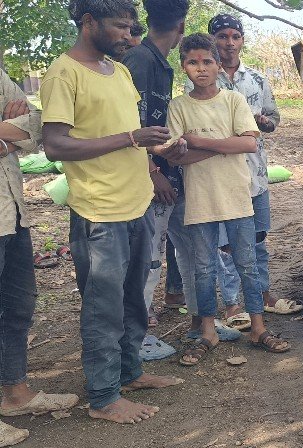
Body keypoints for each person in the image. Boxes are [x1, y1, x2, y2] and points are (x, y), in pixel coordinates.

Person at [40, 0, 185, 424]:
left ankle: (130, 372)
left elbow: (131, 138)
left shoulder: (118, 70)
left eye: (130, 27)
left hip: (136, 201)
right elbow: (55, 145)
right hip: (98, 211)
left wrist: (161, 149)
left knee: (133, 301)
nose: (128, 35)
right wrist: (130, 137)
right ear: (89, 22)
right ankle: (103, 397)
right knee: (103, 307)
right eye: (120, 27)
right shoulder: (63, 73)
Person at [159, 33, 289, 365]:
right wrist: (221, 144)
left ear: (218, 64)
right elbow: (176, 159)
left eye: (207, 61)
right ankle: (207, 331)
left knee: (247, 264)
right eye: (192, 62)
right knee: (203, 269)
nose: (200, 69)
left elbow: (248, 144)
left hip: (237, 198)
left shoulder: (233, 101)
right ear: (183, 65)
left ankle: (259, 328)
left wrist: (198, 142)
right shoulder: (179, 106)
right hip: (201, 201)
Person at [198, 14, 301, 326]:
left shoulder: (256, 80)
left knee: (257, 239)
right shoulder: (203, 79)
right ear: (212, 40)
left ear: (242, 40)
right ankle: (231, 305)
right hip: (219, 175)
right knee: (225, 244)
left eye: (235, 36)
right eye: (223, 36)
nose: (229, 43)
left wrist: (261, 122)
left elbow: (273, 119)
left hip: (255, 174)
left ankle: (262, 295)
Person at [0, 68, 79, 447]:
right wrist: (8, 131)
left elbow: (35, 126)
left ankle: (17, 395)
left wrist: (9, 135)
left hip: (11, 211)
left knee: (18, 306)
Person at [120, 0, 192, 348]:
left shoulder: (160, 64)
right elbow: (125, 123)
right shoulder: (138, 60)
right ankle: (137, 341)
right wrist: (152, 172)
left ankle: (201, 321)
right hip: (145, 179)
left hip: (168, 173)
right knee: (148, 257)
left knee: (187, 248)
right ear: (181, 26)